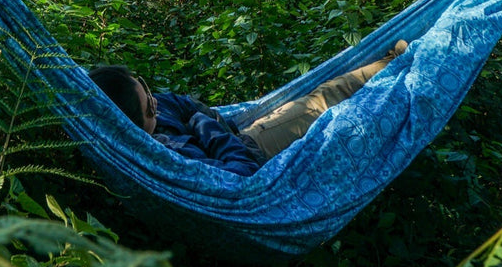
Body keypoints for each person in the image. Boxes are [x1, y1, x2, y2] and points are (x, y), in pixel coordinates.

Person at [88, 40, 409, 175]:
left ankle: (390, 65)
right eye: (148, 111)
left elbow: (186, 105)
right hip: (256, 150)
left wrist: (204, 124)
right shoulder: (166, 153)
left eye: (145, 86)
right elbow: (238, 172)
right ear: (132, 128)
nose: (155, 103)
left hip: (241, 136)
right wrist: (206, 126)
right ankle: (400, 64)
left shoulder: (154, 108)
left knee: (324, 96)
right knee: (328, 100)